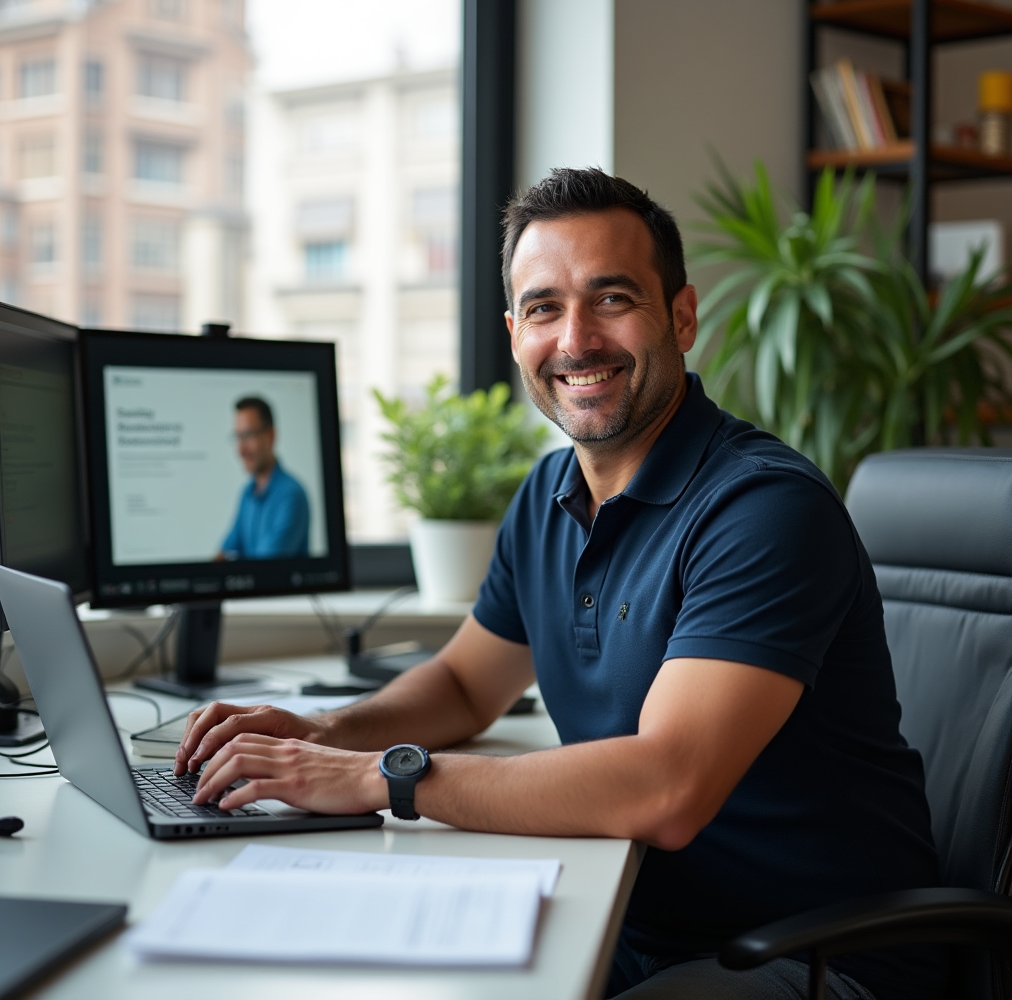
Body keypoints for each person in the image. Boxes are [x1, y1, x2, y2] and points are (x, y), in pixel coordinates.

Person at [177, 169, 944, 1000]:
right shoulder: (546, 494)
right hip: (627, 917)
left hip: (817, 956)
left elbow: (667, 788)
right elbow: (468, 684)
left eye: (611, 298)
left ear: (682, 317)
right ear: (515, 334)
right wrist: (327, 732)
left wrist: (384, 776)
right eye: (544, 308)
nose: (576, 340)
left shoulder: (764, 509)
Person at [218, 396, 310, 559]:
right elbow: (227, 550)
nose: (241, 449)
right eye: (238, 437)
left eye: (248, 435)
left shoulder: (291, 495)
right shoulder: (247, 492)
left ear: (271, 435)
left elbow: (265, 569)